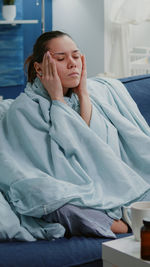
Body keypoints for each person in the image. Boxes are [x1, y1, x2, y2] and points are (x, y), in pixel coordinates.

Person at [0, 30, 150, 241]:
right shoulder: (24, 108)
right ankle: (110, 220)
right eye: (61, 58)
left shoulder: (93, 96)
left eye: (76, 56)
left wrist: (84, 94)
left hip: (99, 182)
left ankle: (118, 212)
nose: (72, 63)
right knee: (45, 196)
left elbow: (93, 148)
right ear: (39, 67)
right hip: (61, 184)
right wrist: (57, 99)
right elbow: (60, 154)